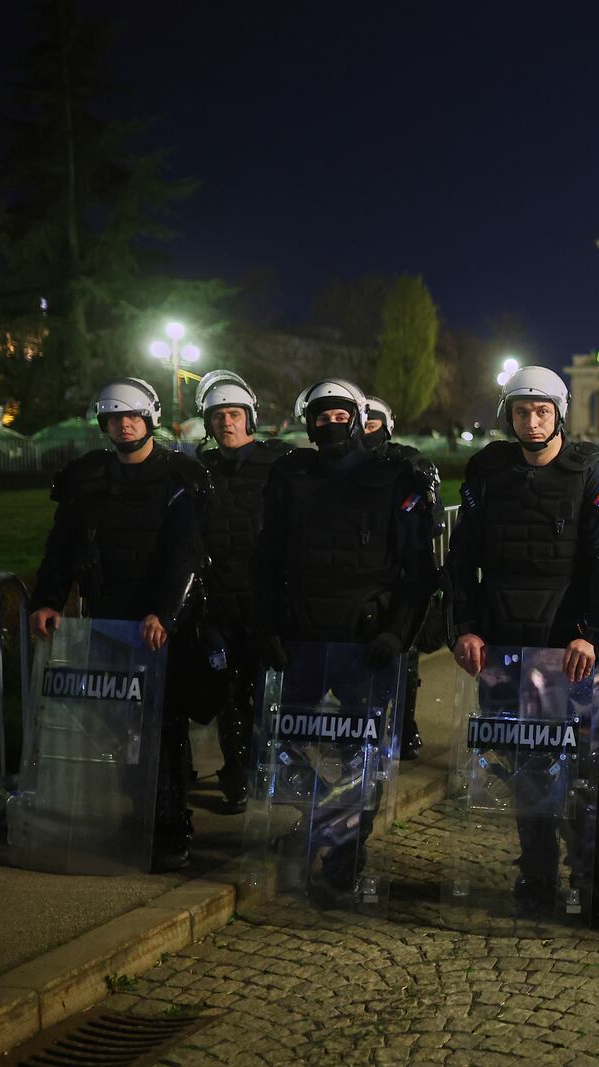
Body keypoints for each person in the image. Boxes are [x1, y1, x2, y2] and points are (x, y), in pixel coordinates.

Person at [444, 366, 599, 930]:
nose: (532, 421)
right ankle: (536, 875)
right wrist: (465, 628)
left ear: (560, 414)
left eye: (542, 411)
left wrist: (592, 639)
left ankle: (592, 882)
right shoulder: (487, 474)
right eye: (523, 411)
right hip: (501, 645)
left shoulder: (592, 474)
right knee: (522, 763)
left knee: (581, 768)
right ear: (510, 415)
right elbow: (461, 562)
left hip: (566, 647)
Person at [252, 377, 438, 901]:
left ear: (357, 420)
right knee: (276, 745)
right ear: (307, 421)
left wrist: (397, 634)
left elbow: (417, 570)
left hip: (366, 644)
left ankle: (344, 855)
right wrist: (265, 627)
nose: (330, 425)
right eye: (321, 416)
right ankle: (322, 823)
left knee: (364, 757)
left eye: (341, 416)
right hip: (301, 639)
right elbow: (265, 561)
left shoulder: (395, 478)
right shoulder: (290, 476)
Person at [31, 378, 209, 870]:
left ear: (149, 417)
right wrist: (48, 601)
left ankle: (172, 826)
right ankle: (134, 817)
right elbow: (61, 548)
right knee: (115, 725)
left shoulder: (179, 477)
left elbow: (187, 555)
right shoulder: (87, 479)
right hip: (106, 621)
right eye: (114, 418)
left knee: (165, 726)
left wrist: (166, 613)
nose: (124, 425)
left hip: (156, 626)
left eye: (131, 416)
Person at [193, 371, 289, 814]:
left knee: (268, 691)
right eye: (217, 416)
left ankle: (268, 767)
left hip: (266, 602)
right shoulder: (199, 471)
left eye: (233, 414)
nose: (226, 423)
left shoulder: (281, 465)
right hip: (217, 602)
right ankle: (236, 773)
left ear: (248, 416)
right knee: (226, 692)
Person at [361, 394, 443, 759]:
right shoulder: (346, 465)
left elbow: (433, 517)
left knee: (404, 655)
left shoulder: (409, 462)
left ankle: (404, 725)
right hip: (363, 575)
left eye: (372, 423)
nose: (364, 431)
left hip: (401, 571)